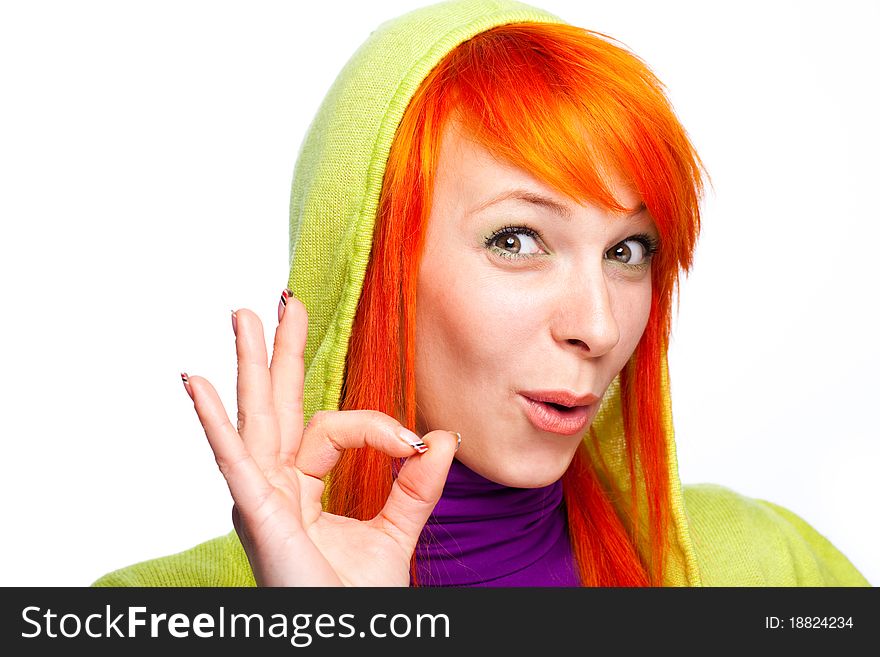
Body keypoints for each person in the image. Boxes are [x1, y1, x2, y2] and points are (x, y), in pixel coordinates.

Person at [93, 0, 868, 587]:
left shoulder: (771, 569)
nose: (599, 327)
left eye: (628, 250)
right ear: (366, 267)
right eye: (517, 240)